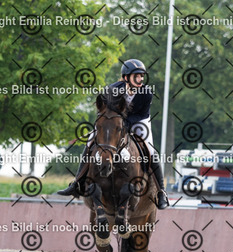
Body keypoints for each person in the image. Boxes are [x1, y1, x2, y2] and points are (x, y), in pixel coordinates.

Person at [57, 59, 169, 209]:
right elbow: (105, 110)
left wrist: (127, 122)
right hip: (115, 122)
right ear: (126, 77)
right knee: (90, 141)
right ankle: (76, 183)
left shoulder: (146, 92)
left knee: (151, 150)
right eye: (136, 76)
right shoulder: (112, 90)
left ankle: (161, 192)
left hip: (138, 121)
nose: (140, 79)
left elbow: (142, 114)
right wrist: (116, 122)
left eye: (141, 76)